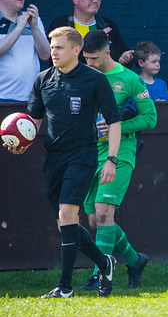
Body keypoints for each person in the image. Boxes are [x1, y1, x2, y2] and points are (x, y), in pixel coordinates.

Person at [4, 27, 120, 298]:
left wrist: (111, 160)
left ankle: (65, 287)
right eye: (52, 48)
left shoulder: (94, 79)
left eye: (59, 47)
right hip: (54, 157)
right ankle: (105, 263)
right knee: (64, 223)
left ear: (76, 50)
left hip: (83, 155)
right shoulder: (43, 79)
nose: (53, 52)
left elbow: (114, 121)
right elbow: (32, 122)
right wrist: (21, 143)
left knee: (68, 214)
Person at [78, 30, 157, 291]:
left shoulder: (130, 79)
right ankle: (135, 260)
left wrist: (117, 125)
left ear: (107, 52)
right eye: (85, 58)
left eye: (93, 58)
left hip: (120, 154)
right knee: (94, 221)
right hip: (89, 154)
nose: (88, 63)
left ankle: (98, 273)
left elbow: (150, 118)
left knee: (103, 213)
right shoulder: (83, 75)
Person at [47, 0, 133, 65]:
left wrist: (124, 58)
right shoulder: (61, 25)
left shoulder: (108, 25)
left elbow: (119, 56)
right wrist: (96, 41)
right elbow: (59, 60)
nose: (95, 1)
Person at [0, 0, 49, 102]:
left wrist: (34, 27)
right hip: (2, 97)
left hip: (29, 98)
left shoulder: (33, 19)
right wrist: (18, 29)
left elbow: (45, 55)